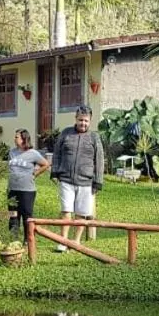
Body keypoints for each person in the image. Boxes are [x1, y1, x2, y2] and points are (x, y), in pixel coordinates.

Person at [50, 106, 106, 253]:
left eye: (86, 121)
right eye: (81, 120)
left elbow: (99, 160)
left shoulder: (95, 138)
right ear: (76, 119)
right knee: (66, 211)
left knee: (81, 213)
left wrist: (98, 182)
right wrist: (55, 173)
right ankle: (63, 241)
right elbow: (57, 154)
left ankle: (76, 242)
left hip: (86, 182)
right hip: (66, 180)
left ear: (90, 121)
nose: (83, 123)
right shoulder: (66, 133)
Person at [7, 129, 49, 242]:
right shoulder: (12, 152)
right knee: (13, 215)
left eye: (17, 137)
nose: (14, 139)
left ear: (24, 139)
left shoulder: (33, 153)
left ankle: (28, 239)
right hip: (12, 189)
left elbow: (45, 164)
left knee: (27, 215)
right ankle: (13, 239)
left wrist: (35, 173)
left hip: (27, 190)